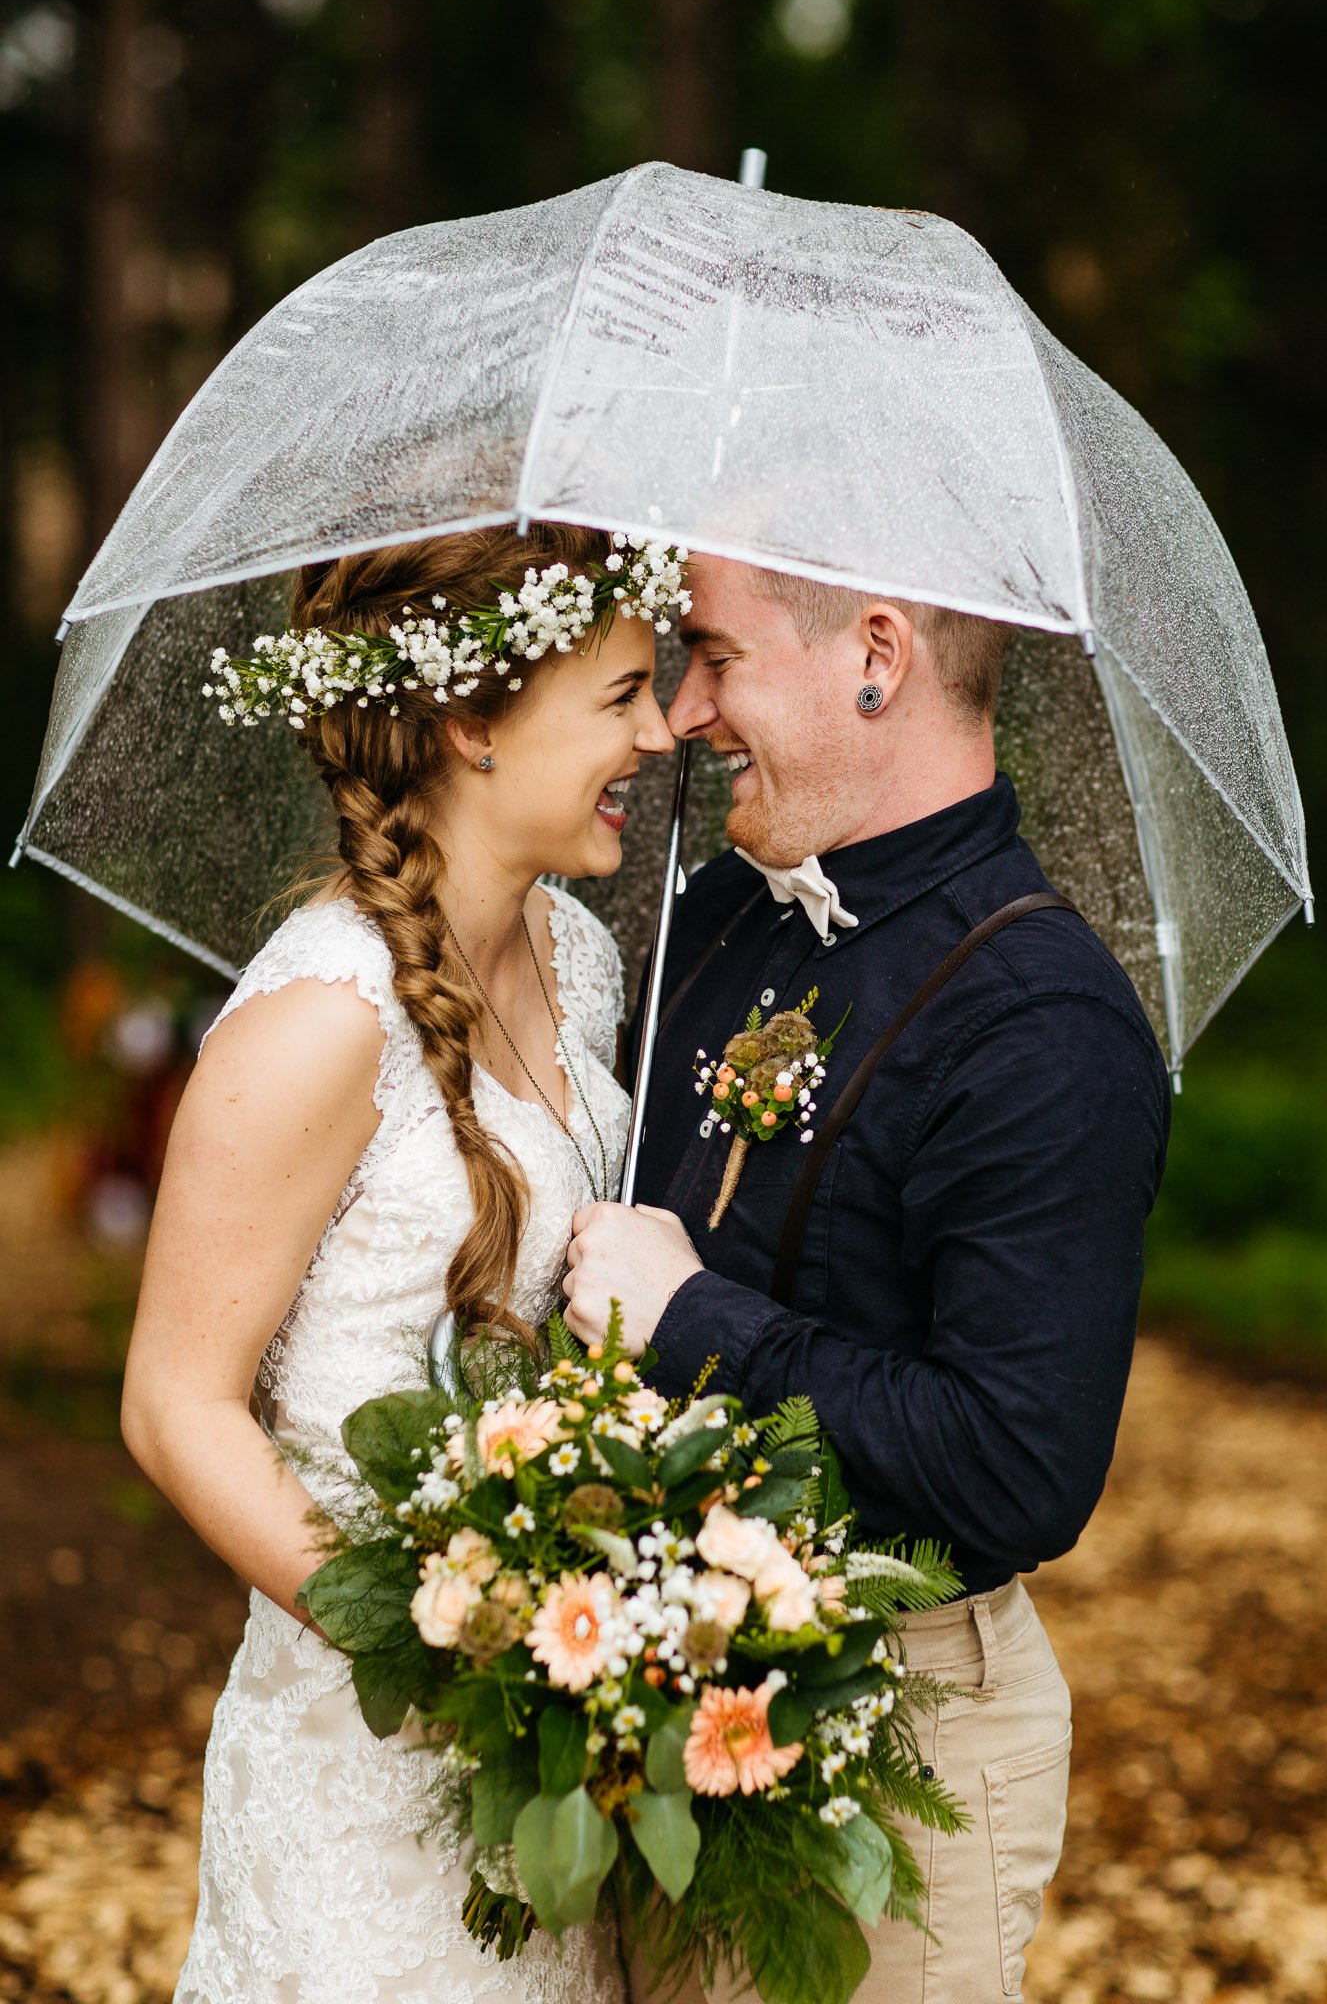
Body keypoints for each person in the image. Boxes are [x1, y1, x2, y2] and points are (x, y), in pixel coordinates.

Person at [562, 554, 1171, 2003]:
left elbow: (1020, 1465)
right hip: (654, 1702)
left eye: (715, 658)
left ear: (877, 655)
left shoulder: (1042, 1018)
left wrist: (688, 1324)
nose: (685, 714)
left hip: (895, 1755)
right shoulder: (719, 914)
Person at [120, 523, 676, 2003]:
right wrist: (432, 1649)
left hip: (553, 1772)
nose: (665, 730)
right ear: (474, 722)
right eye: (622, 696)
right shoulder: (317, 1024)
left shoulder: (589, 961)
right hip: (368, 1771)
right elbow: (176, 1406)